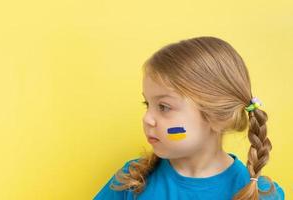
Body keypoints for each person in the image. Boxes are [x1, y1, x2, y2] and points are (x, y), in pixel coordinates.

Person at [93, 36, 285, 200]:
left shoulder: (260, 194)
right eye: (147, 104)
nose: (147, 119)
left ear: (217, 117)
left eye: (164, 107)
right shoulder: (132, 179)